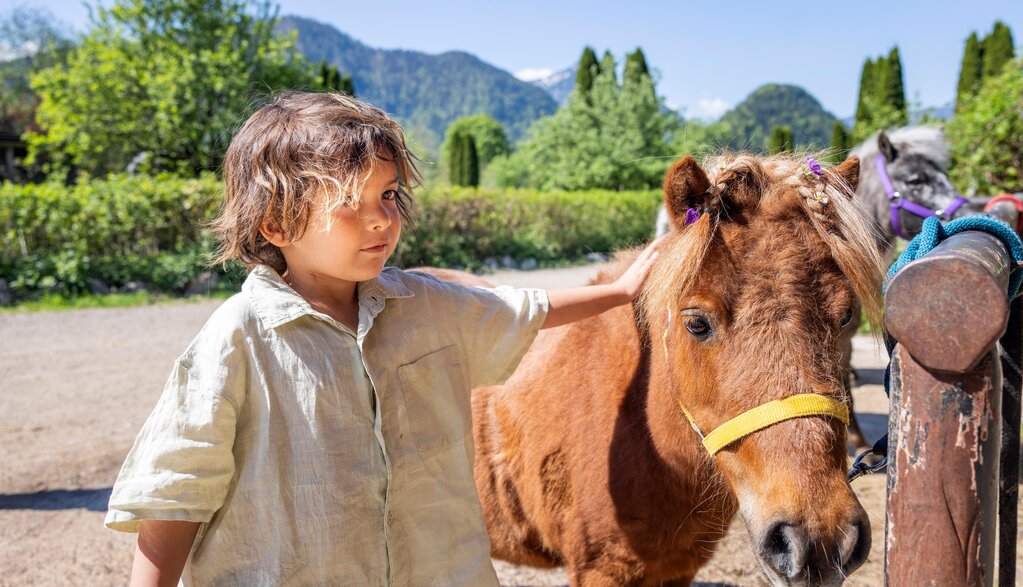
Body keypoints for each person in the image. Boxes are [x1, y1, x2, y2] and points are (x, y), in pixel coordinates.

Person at [105, 91, 666, 586]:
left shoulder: (425, 304)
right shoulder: (238, 337)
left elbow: (524, 308)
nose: (381, 220)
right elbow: (175, 490)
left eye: (390, 195)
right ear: (274, 224)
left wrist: (621, 291)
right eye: (351, 203)